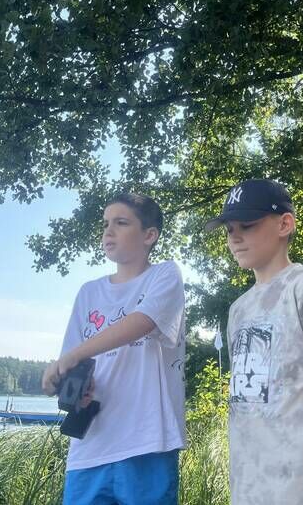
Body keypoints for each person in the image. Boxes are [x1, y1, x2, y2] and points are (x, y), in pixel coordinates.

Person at [205, 179, 303, 505]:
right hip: (249, 488)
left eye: (247, 225)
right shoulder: (238, 310)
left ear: (284, 224)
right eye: (229, 229)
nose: (234, 237)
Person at [42, 193, 186, 505]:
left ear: (149, 235)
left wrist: (75, 355)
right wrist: (65, 383)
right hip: (89, 448)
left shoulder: (164, 275)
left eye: (121, 223)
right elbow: (71, 360)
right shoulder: (88, 292)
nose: (109, 231)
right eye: (106, 223)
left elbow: (143, 320)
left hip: (148, 441)